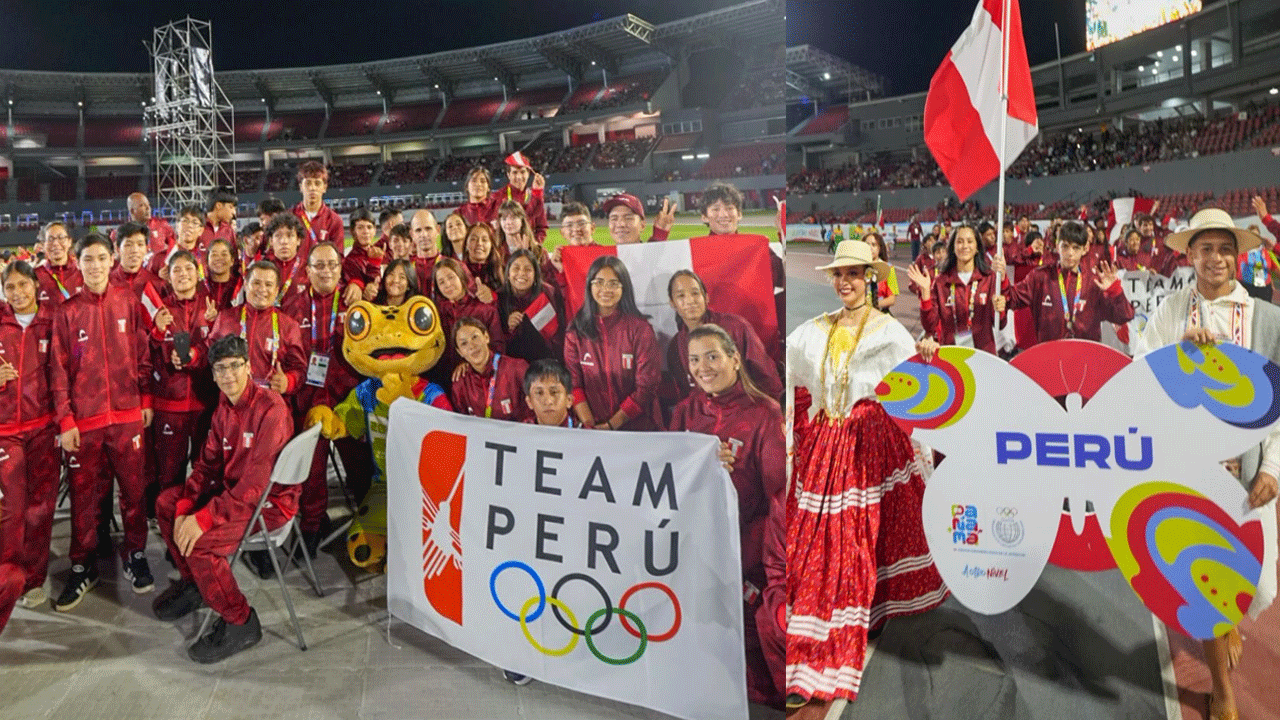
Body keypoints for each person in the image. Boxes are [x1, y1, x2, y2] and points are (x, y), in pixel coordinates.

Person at [786, 239, 948, 713]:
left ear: (870, 278)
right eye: (839, 275)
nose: (845, 283)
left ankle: (849, 624)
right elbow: (795, 380)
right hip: (824, 450)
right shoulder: (814, 330)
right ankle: (814, 640)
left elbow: (915, 388)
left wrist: (928, 352)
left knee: (855, 540)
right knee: (818, 544)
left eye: (854, 274)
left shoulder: (890, 332)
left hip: (865, 450)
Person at [1132, 208, 1279, 720]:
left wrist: (1273, 469)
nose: (1215, 259)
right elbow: (1141, 372)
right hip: (1190, 468)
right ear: (1189, 255)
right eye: (1205, 249)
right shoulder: (1173, 309)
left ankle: (1230, 622)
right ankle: (1222, 689)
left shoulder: (1267, 319)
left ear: (1237, 257)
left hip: (1246, 472)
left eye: (1224, 249)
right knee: (1208, 576)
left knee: (1259, 586)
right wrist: (1177, 354)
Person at [151, 334, 295, 664]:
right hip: (234, 497)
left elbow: (254, 487)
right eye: (220, 369)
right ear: (213, 374)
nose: (228, 375)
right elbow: (206, 465)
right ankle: (196, 585)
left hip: (268, 505)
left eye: (234, 366)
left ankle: (240, 621)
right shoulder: (223, 409)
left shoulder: (271, 409)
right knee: (166, 505)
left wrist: (203, 519)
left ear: (248, 366)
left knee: (202, 544)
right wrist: (187, 507)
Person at [668, 323, 784, 708]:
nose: (704, 367)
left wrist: (735, 472)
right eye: (695, 359)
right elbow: (669, 478)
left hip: (746, 548)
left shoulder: (766, 415)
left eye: (713, 356)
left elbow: (775, 495)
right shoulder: (684, 413)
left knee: (749, 629)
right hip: (698, 543)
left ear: (735, 358)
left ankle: (766, 697)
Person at [50, 233, 156, 610]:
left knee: (133, 492)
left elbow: (142, 353)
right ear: (77, 264)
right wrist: (66, 420)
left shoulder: (128, 301)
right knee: (84, 499)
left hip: (127, 418)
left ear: (111, 261)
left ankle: (135, 554)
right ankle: (82, 565)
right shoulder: (66, 312)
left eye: (100, 258)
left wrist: (144, 398)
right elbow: (59, 371)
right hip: (86, 422)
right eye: (87, 259)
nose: (94, 265)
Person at [280, 242, 362, 558]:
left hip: (347, 396)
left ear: (340, 269)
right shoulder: (293, 307)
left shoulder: (356, 303)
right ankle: (313, 523)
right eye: (319, 266)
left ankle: (368, 519)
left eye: (331, 265)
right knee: (312, 467)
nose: (325, 271)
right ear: (308, 270)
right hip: (309, 397)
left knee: (358, 460)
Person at [0, 261, 60, 609]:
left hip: (44, 427)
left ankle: (35, 577)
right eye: (10, 287)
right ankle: (10, 576)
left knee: (41, 507)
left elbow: (79, 356)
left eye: (24, 285)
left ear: (36, 287)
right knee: (12, 509)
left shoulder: (52, 321)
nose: (18, 293)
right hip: (7, 430)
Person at [994, 220, 1134, 345]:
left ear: (1085, 249)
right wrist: (1002, 277)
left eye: (1076, 248)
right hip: (1050, 357)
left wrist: (1115, 291)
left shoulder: (1094, 282)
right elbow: (1011, 299)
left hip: (1085, 358)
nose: (1070, 253)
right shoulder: (1040, 277)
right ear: (1056, 245)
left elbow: (1124, 316)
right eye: (1065, 246)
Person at [564, 255, 660, 431]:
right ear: (589, 286)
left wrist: (612, 425)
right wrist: (590, 425)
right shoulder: (575, 330)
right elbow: (573, 383)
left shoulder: (640, 329)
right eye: (599, 282)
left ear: (624, 288)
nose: (605, 289)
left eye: (613, 283)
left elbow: (646, 387)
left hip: (637, 428)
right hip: (592, 430)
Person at [149, 250, 214, 502]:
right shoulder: (160, 310)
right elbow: (144, 355)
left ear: (197, 273)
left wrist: (197, 354)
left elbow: (219, 346)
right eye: (177, 270)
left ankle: (198, 521)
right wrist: (157, 333)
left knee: (204, 469)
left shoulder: (210, 306)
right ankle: (169, 525)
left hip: (203, 402)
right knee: (169, 472)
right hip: (169, 405)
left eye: (188, 269)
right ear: (169, 276)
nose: (183, 274)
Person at [665, 269, 781, 402]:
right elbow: (685, 394)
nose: (690, 301)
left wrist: (776, 411)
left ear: (706, 298)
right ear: (672, 303)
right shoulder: (675, 348)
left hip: (748, 409)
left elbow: (765, 373)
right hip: (709, 417)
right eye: (681, 296)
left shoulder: (736, 326)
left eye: (695, 293)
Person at [209, 261, 306, 400]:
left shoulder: (289, 326)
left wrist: (288, 382)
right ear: (246, 285)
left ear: (276, 290)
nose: (262, 289)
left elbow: (300, 370)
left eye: (268, 285)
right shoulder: (225, 318)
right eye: (256, 283)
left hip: (271, 406)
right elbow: (210, 357)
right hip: (231, 404)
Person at [908, 226, 1003, 354]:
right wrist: (925, 293)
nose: (965, 246)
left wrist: (1000, 308)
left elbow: (1000, 323)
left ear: (977, 248)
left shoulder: (989, 278)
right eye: (959, 241)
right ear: (952, 247)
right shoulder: (941, 281)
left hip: (984, 354)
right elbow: (929, 326)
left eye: (970, 241)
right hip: (951, 355)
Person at [432, 258, 504, 377]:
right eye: (441, 282)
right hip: (446, 377)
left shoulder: (484, 309)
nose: (448, 284)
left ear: (461, 277)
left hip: (479, 377)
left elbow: (498, 347)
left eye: (451, 277)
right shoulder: (437, 313)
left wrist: (470, 363)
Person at [449, 317, 530, 422]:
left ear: (486, 337)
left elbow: (535, 410)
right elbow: (461, 424)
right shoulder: (460, 384)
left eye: (475, 337)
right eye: (464, 343)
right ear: (460, 352)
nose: (472, 346)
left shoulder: (517, 368)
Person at [499, 249, 565, 363]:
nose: (521, 273)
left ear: (535, 275)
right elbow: (495, 344)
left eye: (528, 269)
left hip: (545, 362)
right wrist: (508, 329)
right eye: (516, 268)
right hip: (513, 365)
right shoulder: (499, 299)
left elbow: (558, 334)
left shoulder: (548, 293)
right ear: (508, 274)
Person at [489, 151, 548, 243]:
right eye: (515, 173)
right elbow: (491, 226)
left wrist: (534, 245)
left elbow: (542, 227)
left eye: (523, 172)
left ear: (528, 174)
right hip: (505, 251)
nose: (519, 177)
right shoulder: (497, 196)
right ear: (508, 175)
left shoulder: (535, 196)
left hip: (529, 250)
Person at [292, 161, 345, 254]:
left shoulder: (334, 220)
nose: (312, 188)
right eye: (308, 183)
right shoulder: (290, 217)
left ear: (324, 187)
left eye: (317, 183)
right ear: (301, 187)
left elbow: (338, 257)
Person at [147, 205, 208, 281]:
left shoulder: (204, 259)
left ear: (201, 231)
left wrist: (200, 280)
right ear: (177, 226)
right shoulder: (158, 259)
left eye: (195, 222)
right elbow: (147, 287)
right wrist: (159, 280)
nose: (189, 225)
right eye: (185, 221)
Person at [548, 202, 599, 290]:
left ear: (592, 228)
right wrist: (561, 270)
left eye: (581, 223)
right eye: (569, 225)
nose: (576, 229)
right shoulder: (557, 262)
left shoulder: (606, 256)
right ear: (562, 232)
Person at [33, 221, 83, 310]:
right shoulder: (36, 275)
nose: (55, 243)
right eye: (50, 239)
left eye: (61, 238)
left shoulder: (82, 271)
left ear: (69, 242)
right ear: (43, 245)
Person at [109, 221, 165, 298]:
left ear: (147, 248)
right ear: (117, 249)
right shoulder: (106, 283)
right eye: (128, 245)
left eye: (140, 244)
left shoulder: (156, 284)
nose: (135, 250)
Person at [342, 207, 385, 306]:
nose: (366, 231)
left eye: (369, 227)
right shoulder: (350, 261)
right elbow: (369, 293)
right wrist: (374, 262)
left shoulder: (379, 252)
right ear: (353, 232)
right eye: (360, 227)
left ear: (374, 230)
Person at [263, 214, 310, 303]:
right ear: (271, 241)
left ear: (298, 240)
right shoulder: (262, 269)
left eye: (290, 235)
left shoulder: (308, 269)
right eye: (278, 236)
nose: (284, 241)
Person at [601, 193, 675, 245]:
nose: (620, 224)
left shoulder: (653, 256)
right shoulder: (603, 261)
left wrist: (659, 236)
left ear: (642, 225)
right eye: (614, 218)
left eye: (628, 218)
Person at [463, 223, 503, 304]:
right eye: (473, 239)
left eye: (484, 240)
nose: (479, 243)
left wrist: (493, 296)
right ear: (466, 244)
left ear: (491, 245)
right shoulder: (458, 271)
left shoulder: (502, 272)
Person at [204, 238, 242, 311]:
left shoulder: (241, 286)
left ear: (232, 261)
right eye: (214, 255)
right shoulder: (201, 287)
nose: (219, 258)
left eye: (224, 254)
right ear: (207, 261)